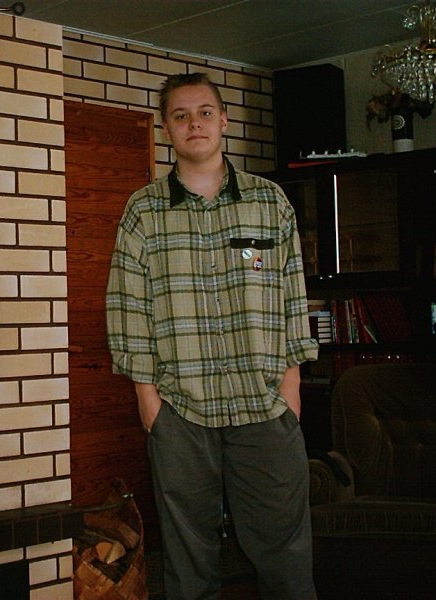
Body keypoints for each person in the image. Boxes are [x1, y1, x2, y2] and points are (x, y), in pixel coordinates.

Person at [106, 72, 319, 600]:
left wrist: (290, 389)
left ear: (224, 120)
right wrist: (149, 401)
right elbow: (128, 307)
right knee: (188, 566)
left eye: (204, 112)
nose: (194, 123)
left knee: (287, 562)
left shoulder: (270, 203)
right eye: (180, 116)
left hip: (264, 407)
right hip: (180, 413)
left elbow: (293, 297)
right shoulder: (143, 211)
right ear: (166, 129)